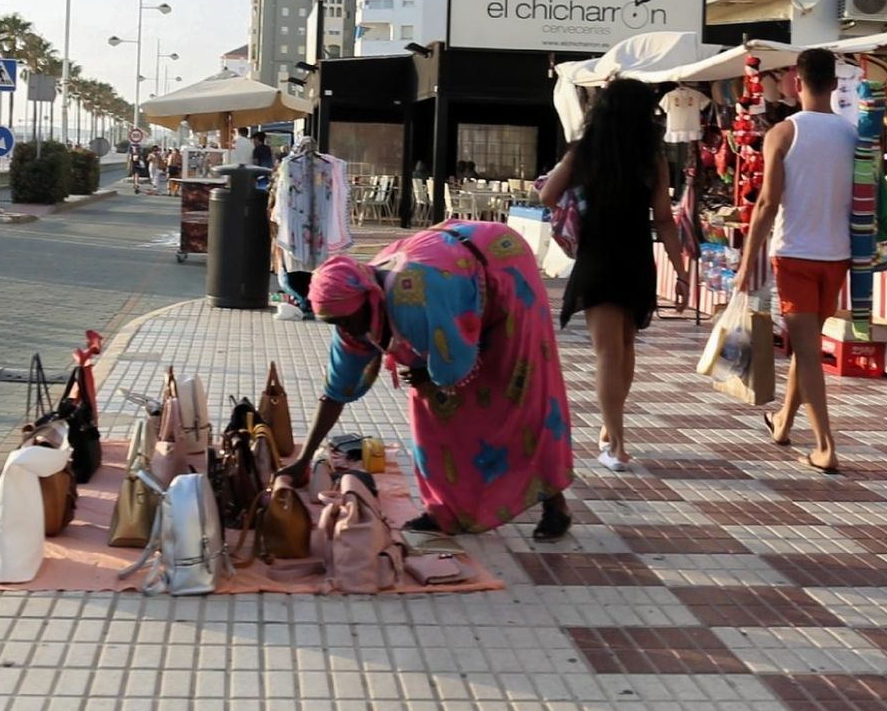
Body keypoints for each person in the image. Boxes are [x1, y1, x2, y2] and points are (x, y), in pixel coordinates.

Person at [275, 222, 575, 542]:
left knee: (522, 394)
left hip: (503, 266)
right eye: (336, 324)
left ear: (369, 299)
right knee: (429, 407)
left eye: (347, 321)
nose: (346, 330)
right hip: (453, 279)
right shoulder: (351, 307)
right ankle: (444, 511)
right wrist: (303, 460)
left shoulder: (411, 298)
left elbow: (453, 367)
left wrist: (430, 374)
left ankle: (555, 505)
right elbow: (335, 392)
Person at [541, 80, 688, 472]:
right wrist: (681, 271)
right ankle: (612, 433)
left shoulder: (584, 152)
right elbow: (664, 219)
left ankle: (616, 442)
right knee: (624, 347)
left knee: (608, 351)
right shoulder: (651, 159)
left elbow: (546, 195)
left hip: (598, 256)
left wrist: (577, 198)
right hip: (636, 259)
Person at [734, 48, 856, 474]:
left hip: (794, 254)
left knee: (806, 352)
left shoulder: (783, 133)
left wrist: (747, 260)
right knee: (806, 348)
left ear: (796, 83)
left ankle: (825, 446)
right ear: (835, 84)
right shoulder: (853, 135)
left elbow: (767, 203)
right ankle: (783, 422)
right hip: (838, 255)